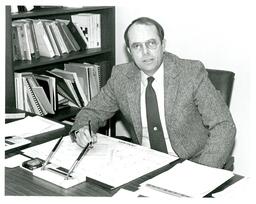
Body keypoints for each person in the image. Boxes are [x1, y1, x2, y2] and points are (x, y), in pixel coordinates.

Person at [70, 17, 236, 169]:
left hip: (193, 163)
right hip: (144, 164)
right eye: (137, 46)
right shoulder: (121, 77)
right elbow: (92, 112)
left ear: (163, 45)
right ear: (129, 50)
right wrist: (82, 130)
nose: (145, 52)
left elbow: (224, 126)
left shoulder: (190, 73)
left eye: (151, 43)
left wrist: (201, 172)